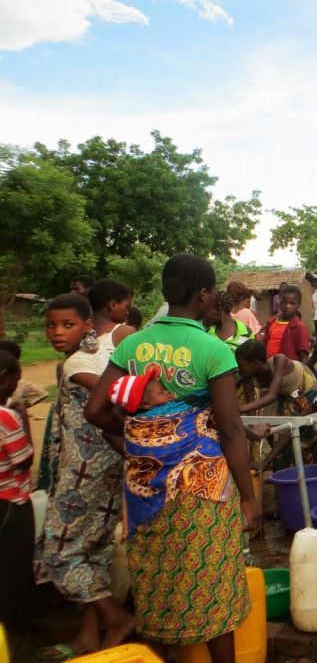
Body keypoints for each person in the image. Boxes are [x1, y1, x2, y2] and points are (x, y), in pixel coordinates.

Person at [84, 254, 259, 663]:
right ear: (203, 296)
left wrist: (143, 443)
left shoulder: (132, 344)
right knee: (213, 584)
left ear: (165, 292)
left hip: (145, 489)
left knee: (161, 586)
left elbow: (94, 411)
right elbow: (231, 430)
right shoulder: (212, 349)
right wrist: (249, 498)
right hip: (203, 487)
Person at [36, 293, 134, 657]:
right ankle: (90, 638)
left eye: (67, 325)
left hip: (82, 475)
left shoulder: (76, 362)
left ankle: (117, 617)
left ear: (87, 326)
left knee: (59, 554)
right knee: (93, 550)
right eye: (51, 325)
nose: (57, 332)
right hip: (109, 468)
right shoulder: (107, 351)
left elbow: (109, 392)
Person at [235, 339, 317, 471]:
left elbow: (271, 396)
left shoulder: (280, 361)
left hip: (304, 389)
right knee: (265, 421)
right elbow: (252, 410)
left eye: (242, 364)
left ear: (255, 363)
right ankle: (277, 457)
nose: (239, 368)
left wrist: (237, 410)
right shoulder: (248, 375)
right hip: (284, 395)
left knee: (294, 431)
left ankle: (270, 462)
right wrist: (248, 454)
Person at [0, 350, 34, 632]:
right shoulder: (7, 417)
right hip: (11, 502)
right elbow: (23, 460)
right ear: (5, 379)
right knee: (14, 563)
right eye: (17, 380)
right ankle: (16, 630)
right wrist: (23, 419)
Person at [258, 284, 310, 364]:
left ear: (299, 304)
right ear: (279, 302)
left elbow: (304, 357)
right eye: (284, 302)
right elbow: (266, 344)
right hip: (270, 367)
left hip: (288, 371)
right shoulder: (271, 322)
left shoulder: (299, 327)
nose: (287, 306)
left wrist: (301, 373)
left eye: (292, 303)